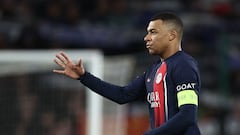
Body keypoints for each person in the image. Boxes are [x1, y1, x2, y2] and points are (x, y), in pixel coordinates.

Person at [53, 12, 201, 135]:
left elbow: (188, 115)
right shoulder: (153, 71)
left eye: (153, 32)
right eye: (147, 32)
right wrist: (84, 77)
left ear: (172, 35)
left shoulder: (184, 65)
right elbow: (122, 95)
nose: (146, 38)